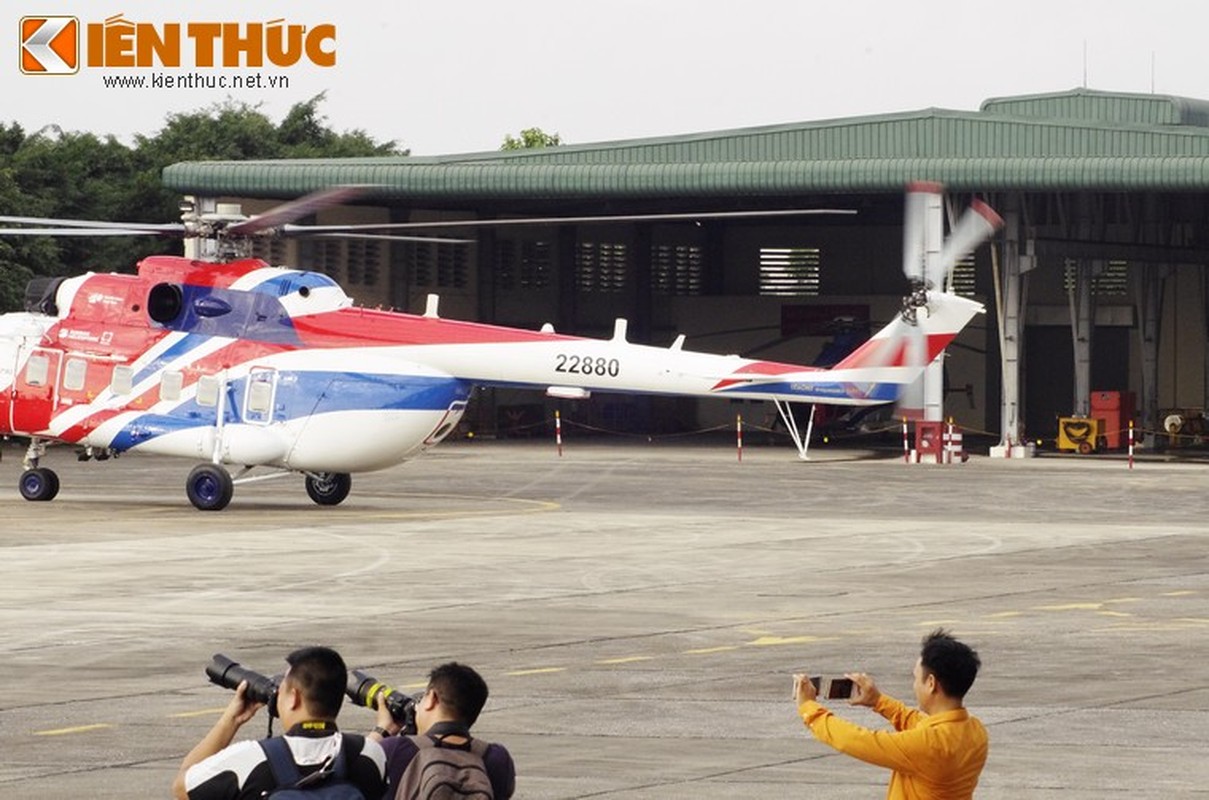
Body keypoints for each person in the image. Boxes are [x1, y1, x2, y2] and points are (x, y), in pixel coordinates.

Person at [791, 628, 987, 800]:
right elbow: (921, 724)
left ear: (931, 683)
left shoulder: (929, 746)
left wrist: (809, 708)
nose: (914, 685)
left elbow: (857, 740)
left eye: (916, 678)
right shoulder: (975, 731)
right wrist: (878, 701)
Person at [173, 645, 387, 800]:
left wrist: (231, 720)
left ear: (294, 697)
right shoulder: (371, 755)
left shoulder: (249, 759)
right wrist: (381, 730)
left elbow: (182, 787)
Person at [368, 661, 515, 800]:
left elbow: (350, 777)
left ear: (432, 698)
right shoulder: (497, 758)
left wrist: (382, 730)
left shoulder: (394, 749)